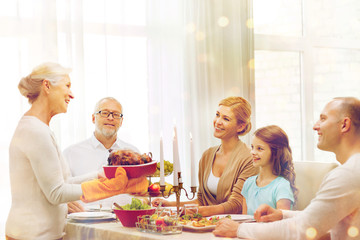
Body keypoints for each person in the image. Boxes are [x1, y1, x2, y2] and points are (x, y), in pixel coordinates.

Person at [5, 63, 147, 240]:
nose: (71, 94)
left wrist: (99, 175)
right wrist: (110, 187)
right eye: (67, 86)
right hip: (33, 235)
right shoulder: (36, 131)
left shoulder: (38, 128)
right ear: (47, 86)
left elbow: (63, 182)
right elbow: (56, 193)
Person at [213, 97, 360, 240]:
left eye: (323, 119)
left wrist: (238, 229)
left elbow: (303, 229)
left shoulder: (347, 174)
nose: (315, 126)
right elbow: (316, 217)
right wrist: (282, 215)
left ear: (344, 125)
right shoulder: (352, 170)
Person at [152, 96, 258, 217]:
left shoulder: (249, 159)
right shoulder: (207, 155)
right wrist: (169, 204)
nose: (218, 122)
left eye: (226, 119)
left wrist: (197, 211)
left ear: (241, 126)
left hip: (231, 227)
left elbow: (235, 205)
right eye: (217, 115)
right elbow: (202, 201)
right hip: (205, 224)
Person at [63, 97, 139, 212]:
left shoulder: (133, 153)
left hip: (122, 224)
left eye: (116, 114)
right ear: (93, 118)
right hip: (84, 223)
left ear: (121, 121)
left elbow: (142, 192)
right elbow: (59, 190)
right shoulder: (70, 153)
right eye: (104, 113)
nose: (110, 118)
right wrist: (64, 204)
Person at [241, 125, 297, 215]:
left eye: (259, 148)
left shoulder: (282, 186)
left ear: (275, 153)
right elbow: (244, 220)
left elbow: (283, 224)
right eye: (252, 147)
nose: (252, 152)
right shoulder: (248, 183)